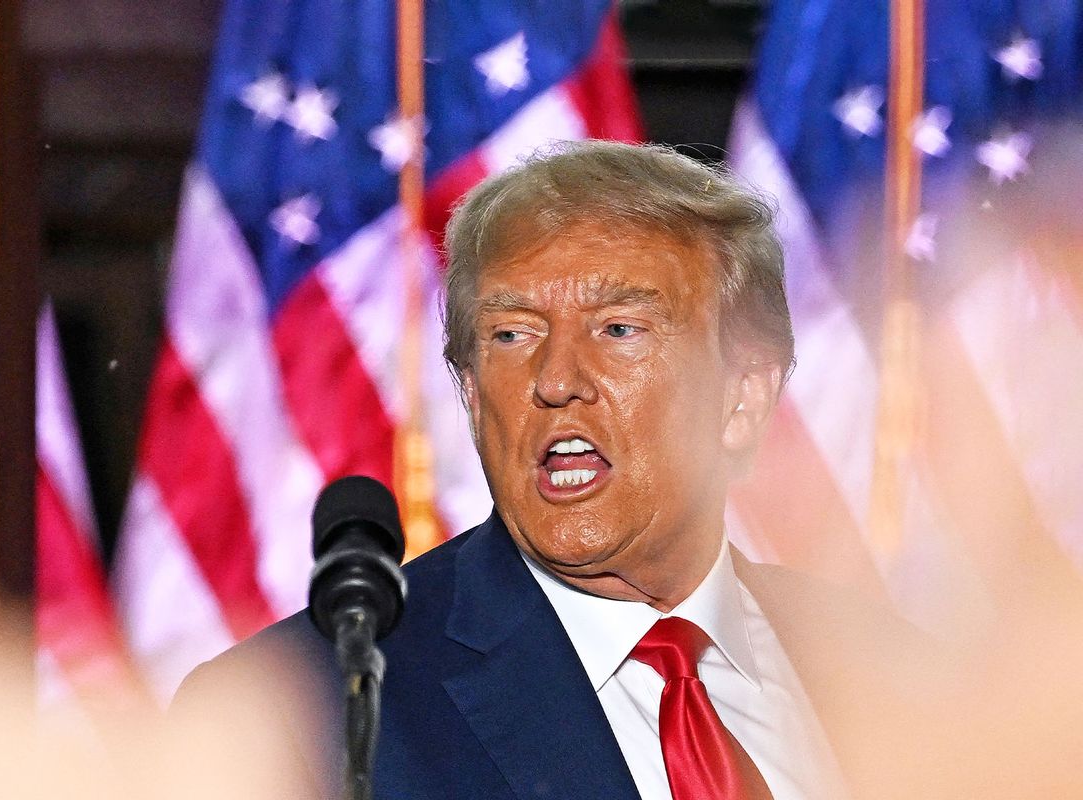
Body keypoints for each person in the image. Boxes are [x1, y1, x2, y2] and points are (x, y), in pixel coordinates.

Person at [176, 141, 936, 800]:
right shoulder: (304, 711)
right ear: (472, 396)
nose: (555, 377)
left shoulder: (896, 674)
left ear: (742, 397)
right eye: (511, 334)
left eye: (618, 328)